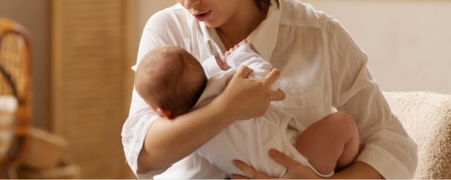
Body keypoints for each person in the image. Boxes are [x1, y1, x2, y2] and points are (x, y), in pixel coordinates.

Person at [121, 0, 418, 179]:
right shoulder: (167, 32)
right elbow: (143, 155)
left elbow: (395, 145)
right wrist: (226, 109)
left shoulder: (318, 35)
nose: (188, 1)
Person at [134, 42, 360, 177]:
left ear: (164, 113)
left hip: (262, 172)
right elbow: (266, 80)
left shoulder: (192, 136)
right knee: (342, 123)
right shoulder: (226, 86)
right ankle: (346, 162)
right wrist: (242, 54)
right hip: (296, 159)